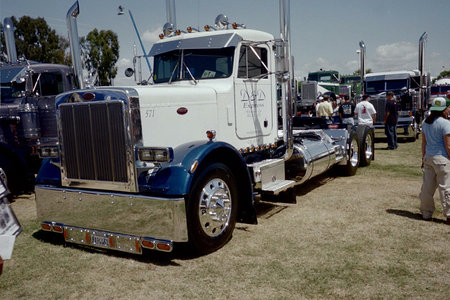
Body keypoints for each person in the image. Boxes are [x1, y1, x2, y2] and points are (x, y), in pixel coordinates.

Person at [419, 97, 450, 225]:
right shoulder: (446, 123)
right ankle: (449, 215)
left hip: (428, 158)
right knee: (446, 188)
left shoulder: (425, 122)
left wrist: (423, 158)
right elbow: (448, 145)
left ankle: (426, 212)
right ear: (443, 109)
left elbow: (424, 143)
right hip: (442, 159)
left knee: (427, 187)